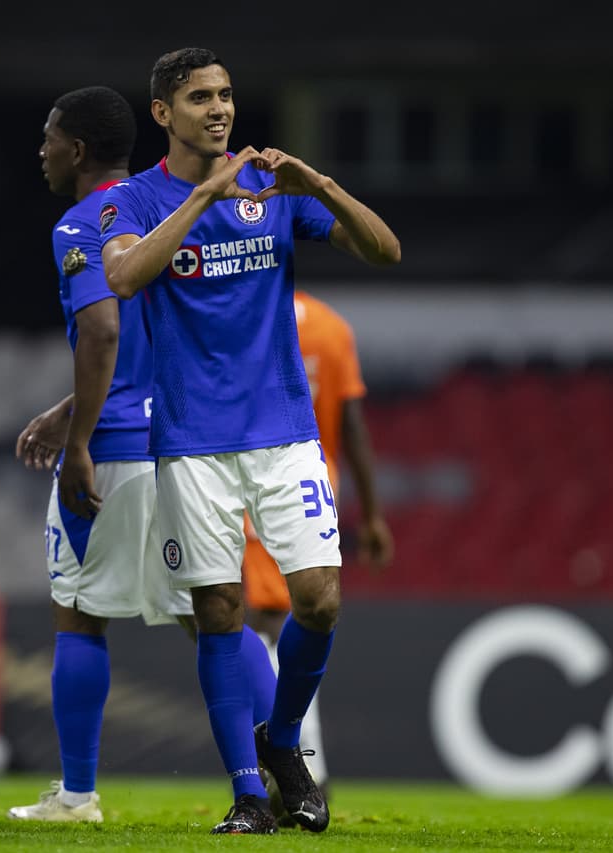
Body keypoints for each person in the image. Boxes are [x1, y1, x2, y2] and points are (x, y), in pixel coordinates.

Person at [99, 47, 401, 834]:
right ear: (163, 112)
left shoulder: (273, 190)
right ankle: (246, 792)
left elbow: (385, 249)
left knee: (320, 599)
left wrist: (319, 185)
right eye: (200, 97)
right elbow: (123, 277)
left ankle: (283, 740)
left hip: (284, 432)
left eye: (226, 95)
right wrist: (204, 195)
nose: (219, 109)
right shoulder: (133, 199)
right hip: (191, 438)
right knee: (220, 610)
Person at [9, 85, 277, 822]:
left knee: (78, 612)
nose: (41, 150)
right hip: (186, 440)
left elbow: (103, 331)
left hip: (119, 447)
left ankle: (77, 795)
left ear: (77, 150)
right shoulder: (165, 207)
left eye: (49, 137)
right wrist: (67, 408)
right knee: (213, 617)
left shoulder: (85, 222)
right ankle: (288, 775)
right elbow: (148, 342)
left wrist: (79, 441)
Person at [241, 289, 395, 802]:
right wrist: (371, 515)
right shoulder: (332, 328)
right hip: (315, 482)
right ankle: (306, 768)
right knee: (302, 624)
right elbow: (353, 428)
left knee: (267, 625)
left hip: (259, 479)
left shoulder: (245, 313)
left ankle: (297, 770)